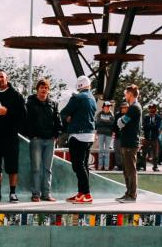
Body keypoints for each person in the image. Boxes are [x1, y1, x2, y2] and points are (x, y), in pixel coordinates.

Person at [0, 69, 27, 202]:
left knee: (12, 166)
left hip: (11, 136)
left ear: (6, 78)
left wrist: (7, 111)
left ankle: (12, 193)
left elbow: (23, 115)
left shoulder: (16, 95)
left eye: (1, 77)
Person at [23, 79, 61, 202]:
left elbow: (58, 120)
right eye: (41, 87)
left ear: (48, 90)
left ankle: (46, 193)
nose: (44, 90)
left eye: (46, 88)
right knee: (36, 168)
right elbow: (26, 121)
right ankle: (35, 194)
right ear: (37, 89)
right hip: (36, 140)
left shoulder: (53, 104)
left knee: (47, 169)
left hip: (50, 140)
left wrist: (57, 134)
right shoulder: (30, 103)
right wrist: (31, 134)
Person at [62, 76, 97, 204]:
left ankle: (87, 194)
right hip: (89, 136)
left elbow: (64, 112)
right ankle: (81, 192)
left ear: (78, 86)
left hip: (78, 135)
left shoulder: (77, 98)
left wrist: (67, 118)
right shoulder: (93, 98)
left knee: (77, 165)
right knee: (84, 165)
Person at [115, 85, 143, 203]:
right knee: (126, 170)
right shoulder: (132, 107)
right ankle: (128, 193)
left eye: (126, 93)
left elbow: (121, 122)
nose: (125, 96)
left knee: (131, 170)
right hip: (126, 142)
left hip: (131, 143)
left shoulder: (134, 108)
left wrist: (120, 121)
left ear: (130, 94)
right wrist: (121, 121)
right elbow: (121, 122)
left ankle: (132, 195)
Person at [95, 101, 116, 171]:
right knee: (101, 150)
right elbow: (98, 123)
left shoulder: (111, 114)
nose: (108, 107)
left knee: (107, 151)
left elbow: (112, 124)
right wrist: (107, 122)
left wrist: (103, 121)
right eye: (106, 106)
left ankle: (106, 167)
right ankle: (100, 166)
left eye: (109, 106)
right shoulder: (99, 114)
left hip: (109, 134)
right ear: (103, 107)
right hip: (100, 133)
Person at [141, 105, 162, 171]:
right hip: (146, 137)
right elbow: (144, 127)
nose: (152, 110)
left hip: (154, 138)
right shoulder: (146, 117)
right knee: (144, 153)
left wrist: (149, 126)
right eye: (151, 109)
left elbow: (157, 127)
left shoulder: (159, 117)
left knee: (155, 153)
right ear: (149, 109)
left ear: (156, 109)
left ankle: (155, 166)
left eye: (154, 109)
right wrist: (152, 125)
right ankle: (143, 167)